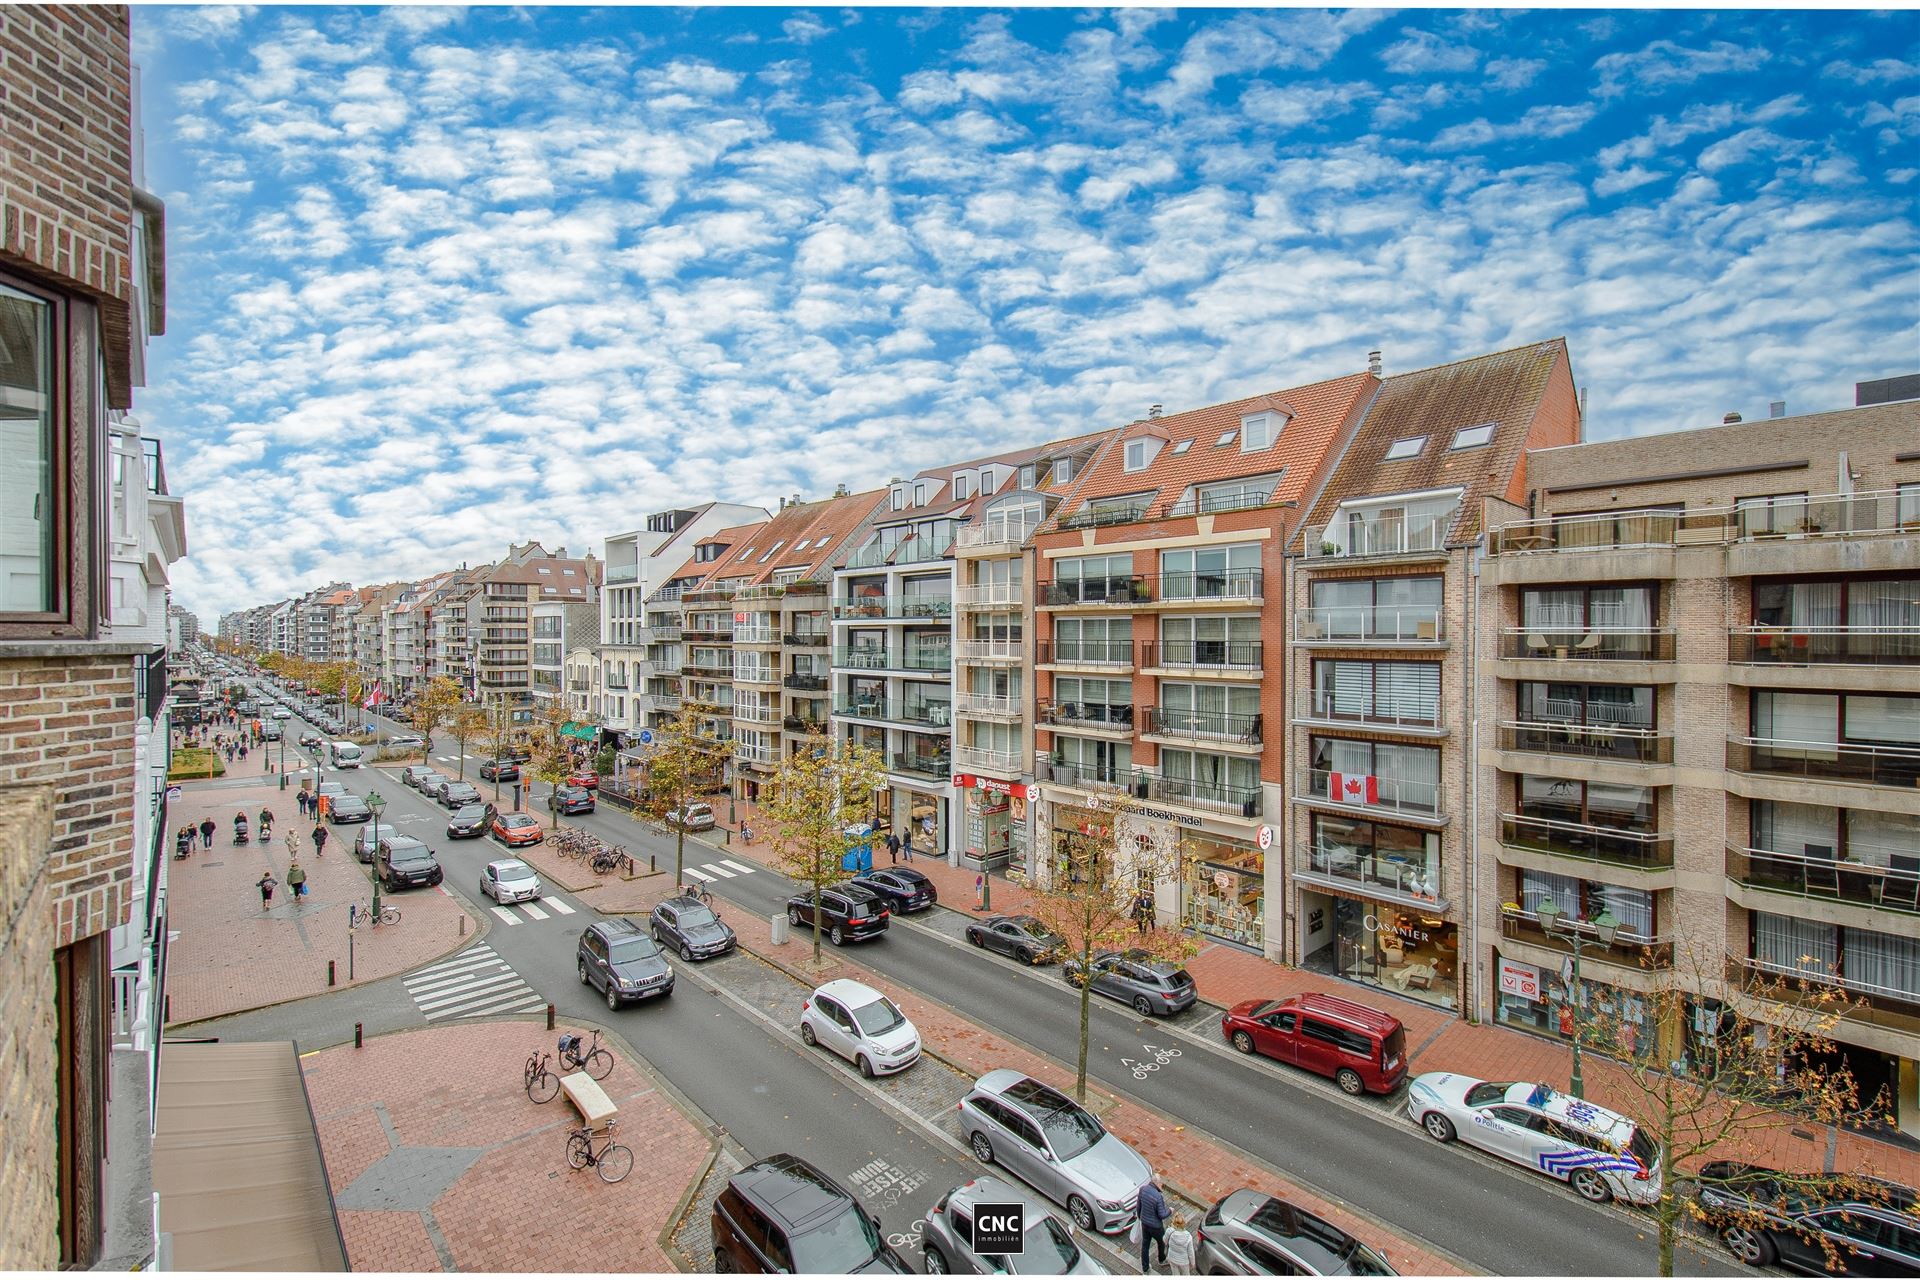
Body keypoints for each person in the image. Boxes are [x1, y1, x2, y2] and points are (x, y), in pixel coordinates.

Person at [1137, 1177, 1170, 1273]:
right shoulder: (1158, 1196)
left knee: (1145, 1245)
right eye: (1161, 1183)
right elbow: (1162, 1214)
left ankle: (1145, 1267)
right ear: (1156, 1183)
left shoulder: (1142, 1189)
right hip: (1156, 1227)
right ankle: (1161, 1259)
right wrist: (1170, 1211)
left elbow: (1139, 1206)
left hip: (1145, 1224)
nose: (1162, 1185)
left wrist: (1140, 1218)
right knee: (1161, 1242)